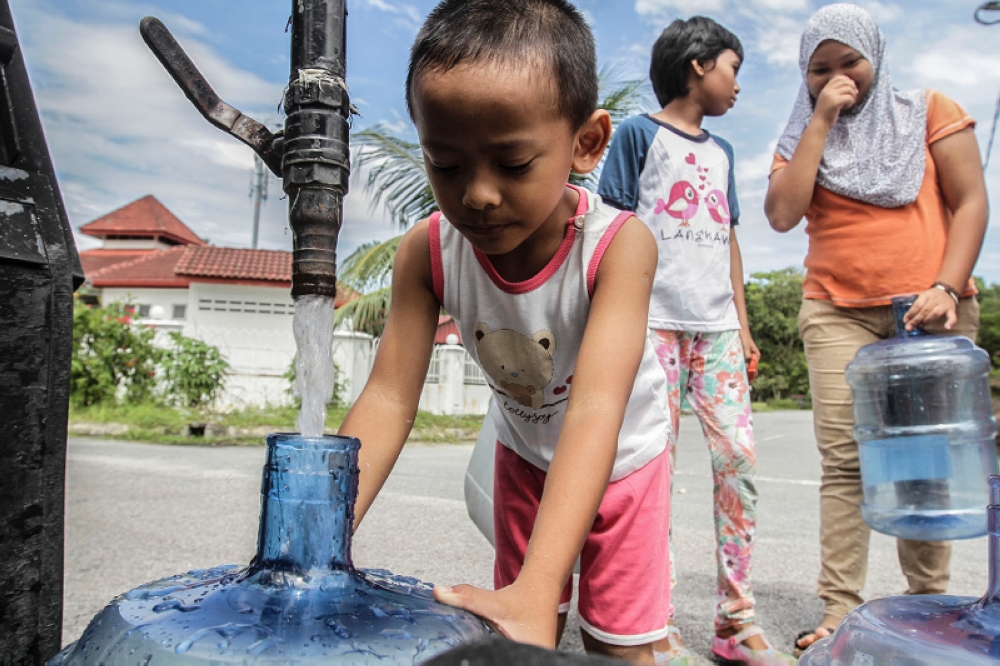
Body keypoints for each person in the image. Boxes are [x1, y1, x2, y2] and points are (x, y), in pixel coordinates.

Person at [337, 0, 674, 662]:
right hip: (524, 459)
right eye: (446, 165)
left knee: (621, 644)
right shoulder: (427, 252)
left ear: (587, 142)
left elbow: (597, 408)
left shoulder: (618, 247)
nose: (478, 196)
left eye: (513, 164)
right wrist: (318, 542)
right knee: (522, 628)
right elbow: (386, 399)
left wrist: (539, 581)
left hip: (625, 463)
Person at [763, 3, 989, 656]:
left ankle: (930, 604)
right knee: (844, 462)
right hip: (836, 311)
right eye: (820, 69)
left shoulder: (929, 109)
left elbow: (971, 200)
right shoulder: (802, 131)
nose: (839, 77)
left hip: (931, 310)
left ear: (876, 56)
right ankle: (840, 608)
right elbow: (781, 214)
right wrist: (821, 119)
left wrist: (946, 285)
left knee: (926, 464)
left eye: (850, 62)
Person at [598, 17, 794, 666]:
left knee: (737, 459)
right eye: (734, 69)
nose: (739, 85)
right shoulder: (636, 135)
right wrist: (611, 318)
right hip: (650, 324)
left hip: (715, 332)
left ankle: (735, 622)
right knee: (652, 472)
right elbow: (613, 225)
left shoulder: (723, 153)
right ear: (698, 66)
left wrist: (741, 320)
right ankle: (653, 623)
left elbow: (729, 238)